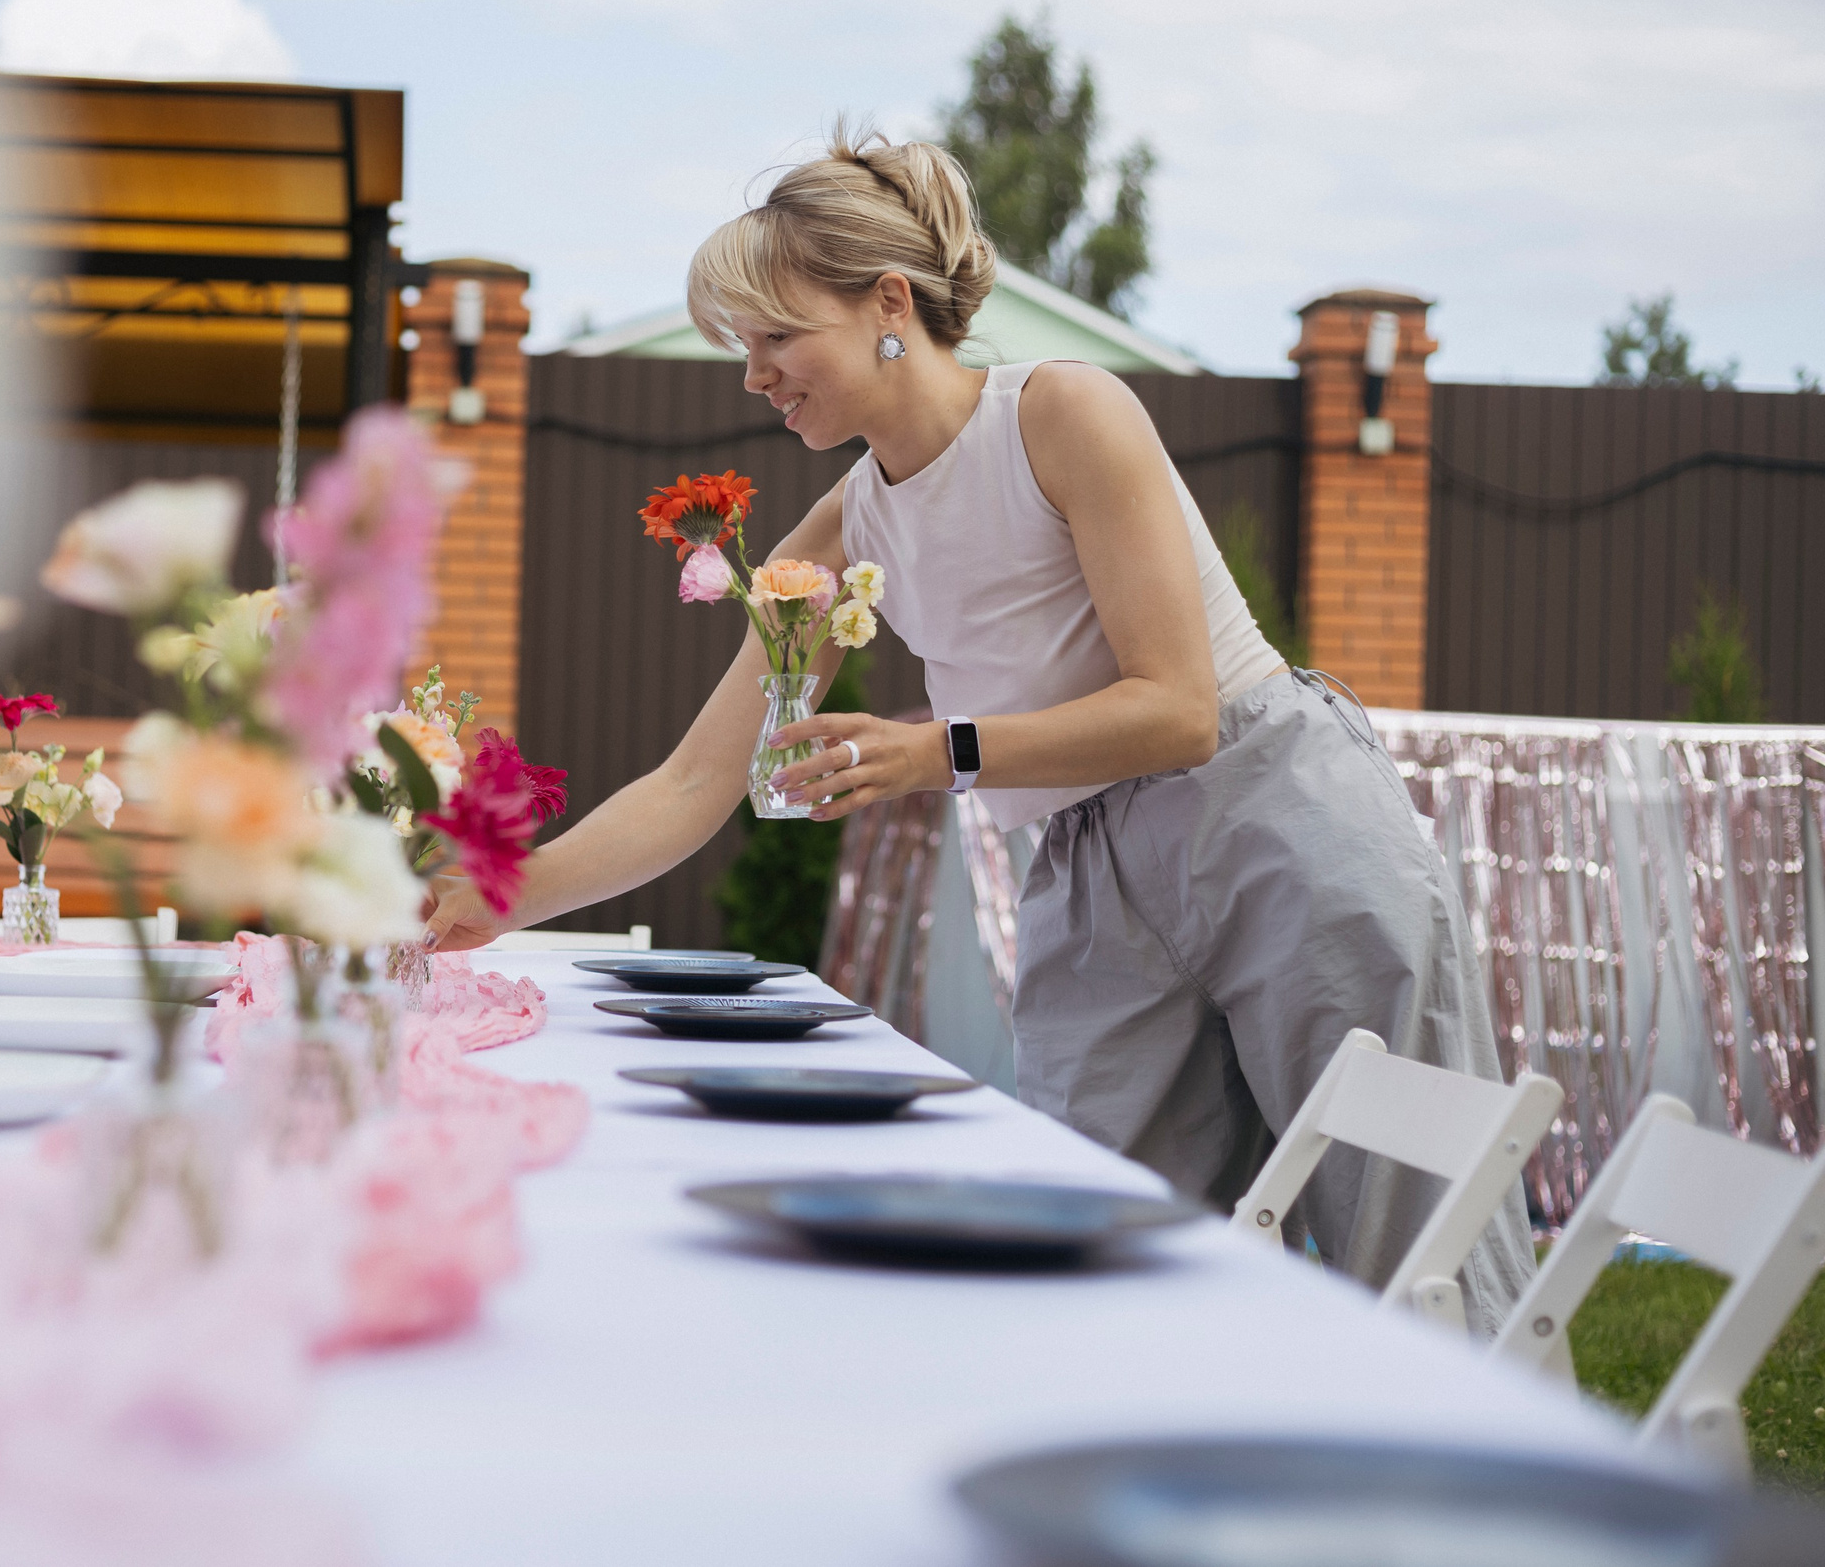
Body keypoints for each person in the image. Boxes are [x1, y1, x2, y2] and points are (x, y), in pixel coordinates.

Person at [425, 125, 1532, 1330]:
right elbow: (697, 780)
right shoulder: (838, 534)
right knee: (1093, 1253)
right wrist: (500, 894)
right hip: (1086, 868)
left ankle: (1540, 1502)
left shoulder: (1062, 414)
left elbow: (1177, 708)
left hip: (1273, 821)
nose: (752, 374)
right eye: (739, 347)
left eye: (776, 337)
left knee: (1419, 1243)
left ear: (887, 302)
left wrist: (931, 752)